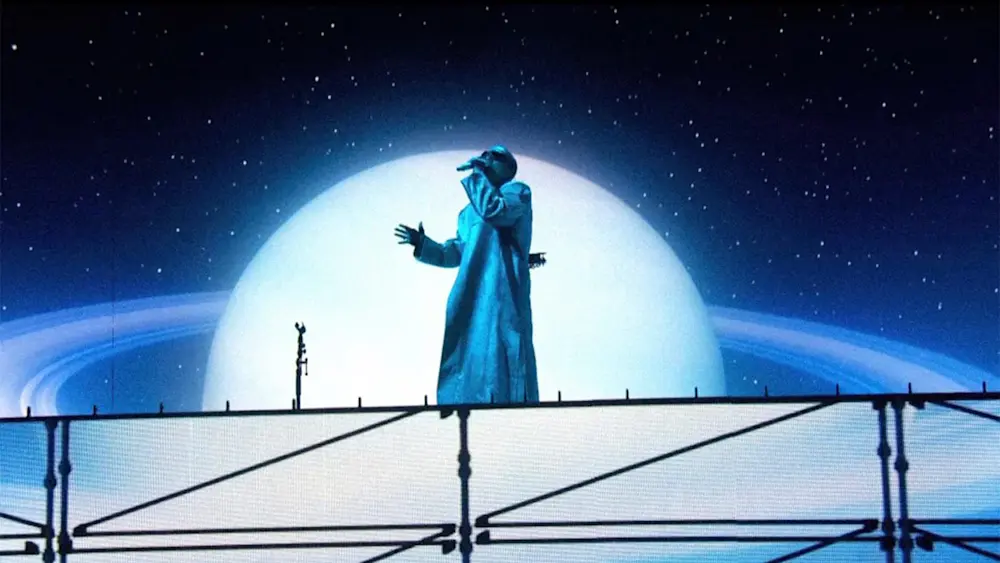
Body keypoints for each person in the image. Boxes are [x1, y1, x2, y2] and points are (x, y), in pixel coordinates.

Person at [395, 146, 541, 405]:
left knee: (503, 353)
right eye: (485, 155)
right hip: (471, 296)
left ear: (507, 166)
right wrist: (423, 244)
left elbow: (495, 212)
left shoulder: (517, 193)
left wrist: (477, 176)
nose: (485, 158)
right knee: (470, 357)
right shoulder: (467, 213)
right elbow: (455, 252)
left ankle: (509, 413)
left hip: (503, 294)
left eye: (493, 156)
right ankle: (467, 414)